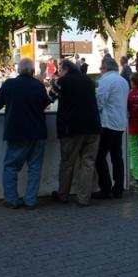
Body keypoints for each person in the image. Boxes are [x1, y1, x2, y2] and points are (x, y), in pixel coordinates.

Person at [0, 58, 51, 209]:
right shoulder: (38, 85)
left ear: (19, 70)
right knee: (35, 168)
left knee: (11, 166)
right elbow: (46, 103)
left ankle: (11, 200)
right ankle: (30, 201)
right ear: (32, 71)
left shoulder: (10, 84)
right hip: (38, 132)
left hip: (17, 133)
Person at [49, 59, 101, 207]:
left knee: (67, 162)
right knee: (88, 163)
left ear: (64, 69)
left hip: (71, 128)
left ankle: (63, 194)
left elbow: (50, 98)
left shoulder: (62, 81)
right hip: (93, 127)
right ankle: (84, 198)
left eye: (59, 69)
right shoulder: (89, 81)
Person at [93, 58, 130, 199]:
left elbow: (100, 101)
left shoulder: (106, 81)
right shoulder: (123, 81)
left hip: (107, 123)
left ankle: (106, 187)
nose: (100, 71)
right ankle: (118, 187)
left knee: (99, 156)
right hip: (120, 123)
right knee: (117, 156)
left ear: (105, 68)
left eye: (101, 68)